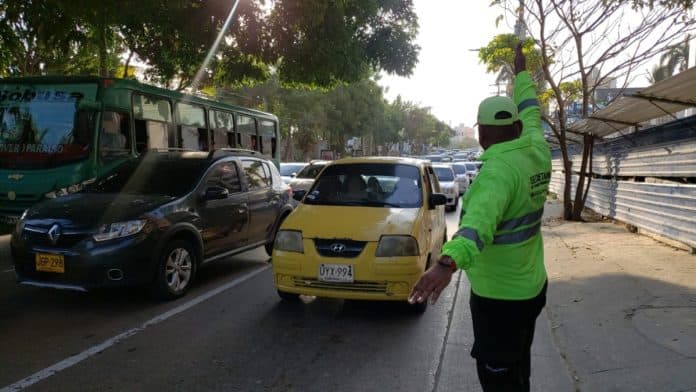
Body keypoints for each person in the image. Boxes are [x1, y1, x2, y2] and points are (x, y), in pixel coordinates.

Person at [408, 44, 552, 392]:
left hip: (499, 298)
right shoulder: (535, 145)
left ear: (483, 135)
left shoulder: (497, 174)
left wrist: (445, 264)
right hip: (532, 288)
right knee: (519, 360)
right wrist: (522, 73)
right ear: (516, 127)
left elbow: (476, 229)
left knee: (497, 374)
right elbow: (532, 109)